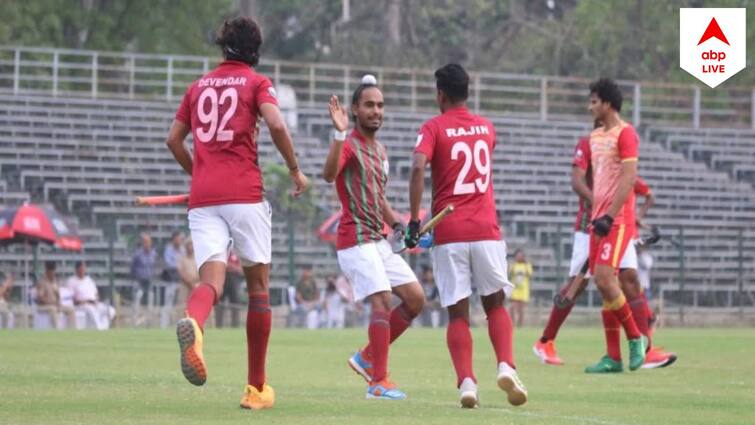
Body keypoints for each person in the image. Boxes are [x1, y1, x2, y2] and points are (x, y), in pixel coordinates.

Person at [165, 16, 309, 410]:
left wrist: (200, 174)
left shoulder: (198, 86)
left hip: (204, 198)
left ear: (222, 46)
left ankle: (195, 323)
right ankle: (255, 389)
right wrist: (295, 168)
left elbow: (173, 140)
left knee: (210, 280)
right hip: (244, 194)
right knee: (258, 288)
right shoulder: (255, 82)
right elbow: (276, 122)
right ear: (255, 50)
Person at [406, 64, 527, 408]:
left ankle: (467, 384)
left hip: (450, 232)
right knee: (495, 304)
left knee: (458, 314)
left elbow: (417, 167)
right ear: (467, 92)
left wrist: (415, 222)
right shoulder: (487, 128)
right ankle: (505, 364)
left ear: (440, 94)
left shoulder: (433, 127)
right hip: (487, 230)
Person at [532, 130, 675, 368]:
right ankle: (546, 341)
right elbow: (577, 181)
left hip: (619, 227)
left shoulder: (621, 156)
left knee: (629, 280)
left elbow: (635, 188)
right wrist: (601, 208)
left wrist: (632, 216)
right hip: (592, 227)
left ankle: (643, 348)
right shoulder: (589, 145)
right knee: (576, 286)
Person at [322, 76, 425, 400]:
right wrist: (339, 133)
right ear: (354, 110)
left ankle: (366, 357)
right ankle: (378, 382)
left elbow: (378, 199)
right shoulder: (349, 144)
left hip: (378, 240)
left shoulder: (380, 150)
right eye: (369, 105)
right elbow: (328, 175)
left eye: (380, 105)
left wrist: (401, 225)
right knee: (382, 301)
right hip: (355, 241)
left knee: (415, 299)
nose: (376, 111)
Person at [581, 78, 646, 373]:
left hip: (617, 221)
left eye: (594, 101)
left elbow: (629, 178)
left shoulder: (626, 133)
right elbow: (602, 178)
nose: (590, 106)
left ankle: (636, 339)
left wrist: (611, 214)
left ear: (607, 103)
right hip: (598, 219)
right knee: (605, 286)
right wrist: (596, 214)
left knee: (607, 279)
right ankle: (613, 357)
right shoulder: (594, 137)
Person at [67, 261, 114, 330]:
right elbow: (71, 298)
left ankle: (103, 328)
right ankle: (99, 329)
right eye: (81, 268)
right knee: (90, 309)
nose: (83, 270)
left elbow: (96, 293)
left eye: (84, 268)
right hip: (81, 305)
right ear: (77, 269)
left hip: (94, 303)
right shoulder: (72, 281)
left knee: (110, 310)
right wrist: (83, 301)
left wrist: (96, 301)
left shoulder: (89, 280)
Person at [34, 261, 75, 329]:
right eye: (51, 271)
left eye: (53, 271)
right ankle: (57, 330)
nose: (52, 273)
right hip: (43, 306)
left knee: (71, 309)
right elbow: (40, 299)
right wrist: (51, 303)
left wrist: (58, 302)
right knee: (53, 309)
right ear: (47, 271)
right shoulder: (42, 282)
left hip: (55, 305)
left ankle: (72, 330)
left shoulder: (55, 281)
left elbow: (58, 296)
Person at [215, 253, 244, 328]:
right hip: (222, 278)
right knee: (219, 303)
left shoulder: (238, 254)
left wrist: (233, 267)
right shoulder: (222, 252)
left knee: (235, 302)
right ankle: (218, 325)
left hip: (234, 279)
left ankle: (235, 325)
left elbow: (241, 270)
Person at [131, 232, 157, 308]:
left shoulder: (153, 253)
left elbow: (155, 266)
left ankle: (150, 316)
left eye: (148, 242)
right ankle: (135, 317)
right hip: (139, 280)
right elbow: (133, 267)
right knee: (138, 296)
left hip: (149, 279)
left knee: (151, 296)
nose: (147, 244)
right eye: (145, 242)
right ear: (142, 243)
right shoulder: (137, 253)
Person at [508, 249, 533, 328]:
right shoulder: (513, 266)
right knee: (512, 307)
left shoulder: (527, 266)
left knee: (521, 309)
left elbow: (530, 274)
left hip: (523, 290)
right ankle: (512, 323)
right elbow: (508, 273)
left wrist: (526, 264)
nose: (519, 257)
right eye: (518, 255)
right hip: (515, 290)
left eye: (521, 255)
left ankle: (520, 325)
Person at [162, 231, 185, 307]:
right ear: (173, 240)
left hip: (182, 280)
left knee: (180, 303)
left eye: (180, 239)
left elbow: (185, 262)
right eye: (177, 239)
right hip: (171, 279)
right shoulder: (168, 249)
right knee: (168, 302)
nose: (179, 241)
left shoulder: (183, 250)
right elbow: (168, 263)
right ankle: (166, 319)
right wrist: (178, 266)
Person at [176, 238, 200, 307]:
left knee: (195, 307)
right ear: (185, 247)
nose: (190, 247)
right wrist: (190, 283)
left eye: (192, 245)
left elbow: (201, 272)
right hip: (184, 287)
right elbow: (181, 273)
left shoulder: (198, 258)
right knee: (182, 307)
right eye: (189, 245)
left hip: (196, 287)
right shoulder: (181, 259)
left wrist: (194, 284)